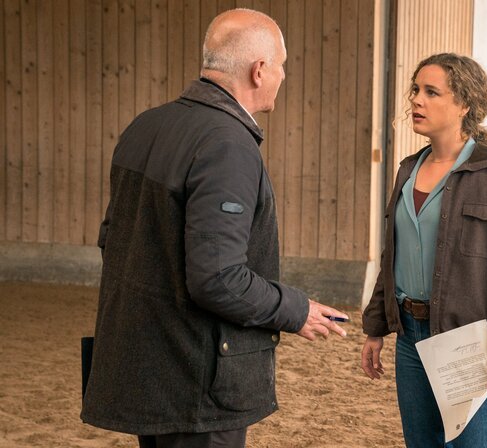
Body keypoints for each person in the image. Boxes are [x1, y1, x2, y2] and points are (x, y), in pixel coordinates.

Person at [80, 9, 348, 448]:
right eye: (281, 65)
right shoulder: (226, 144)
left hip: (149, 371)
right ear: (259, 70)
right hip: (197, 386)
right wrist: (296, 310)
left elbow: (114, 240)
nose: (283, 75)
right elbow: (219, 279)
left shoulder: (146, 125)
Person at [360, 53, 487, 447]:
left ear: (464, 104)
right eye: (415, 90)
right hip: (410, 340)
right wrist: (375, 327)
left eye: (431, 92)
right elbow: (392, 257)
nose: (416, 100)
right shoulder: (407, 170)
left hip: (471, 343)